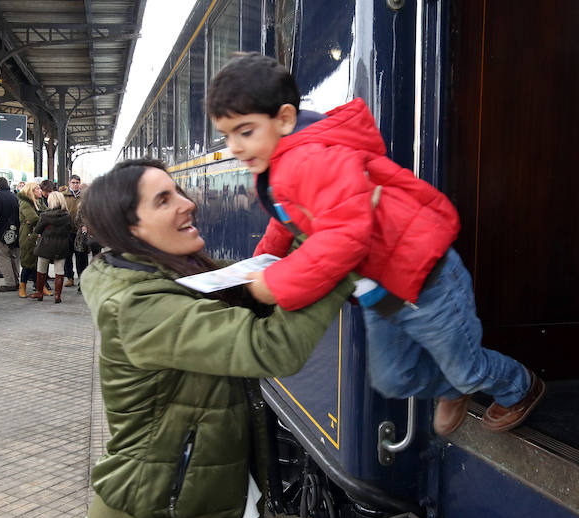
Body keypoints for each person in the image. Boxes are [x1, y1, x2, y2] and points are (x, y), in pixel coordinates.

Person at [208, 53, 546, 436]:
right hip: (381, 293)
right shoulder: (277, 166)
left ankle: (519, 386)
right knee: (393, 378)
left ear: (284, 119)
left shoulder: (312, 160)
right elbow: (286, 219)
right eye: (227, 135)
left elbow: (344, 237)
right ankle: (453, 386)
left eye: (245, 131)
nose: (234, 146)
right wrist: (262, 260)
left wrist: (275, 283)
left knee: (468, 368)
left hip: (425, 282)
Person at [79, 159, 353, 518]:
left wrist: (309, 232)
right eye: (164, 200)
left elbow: (254, 287)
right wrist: (345, 257)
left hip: (214, 515)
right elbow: (270, 348)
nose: (188, 204)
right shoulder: (138, 306)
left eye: (178, 191)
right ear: (131, 228)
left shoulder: (172, 274)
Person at [29, 191, 72, 303]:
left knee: (41, 269)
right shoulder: (67, 216)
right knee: (59, 270)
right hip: (62, 245)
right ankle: (57, 296)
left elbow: (38, 230)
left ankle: (39, 292)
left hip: (46, 245)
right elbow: (70, 229)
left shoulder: (45, 215)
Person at [18, 182, 50, 298]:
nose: (40, 191)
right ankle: (23, 285)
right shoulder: (25, 203)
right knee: (28, 261)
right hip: (28, 235)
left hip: (38, 234)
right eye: (37, 189)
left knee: (39, 262)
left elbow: (47, 215)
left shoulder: (40, 202)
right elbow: (33, 218)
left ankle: (40, 286)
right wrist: (42, 218)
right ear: (31, 191)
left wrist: (41, 217)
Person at [0, 176, 20, 291]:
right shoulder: (14, 196)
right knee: (14, 257)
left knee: (3, 257)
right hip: (14, 232)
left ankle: (9, 283)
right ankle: (16, 280)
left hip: (1, 232)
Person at [62, 174, 82, 286]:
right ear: (69, 183)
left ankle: (82, 278)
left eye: (77, 183)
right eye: (73, 182)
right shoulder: (63, 196)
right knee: (67, 255)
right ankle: (69, 277)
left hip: (80, 232)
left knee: (81, 256)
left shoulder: (84, 196)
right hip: (67, 230)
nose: (75, 185)